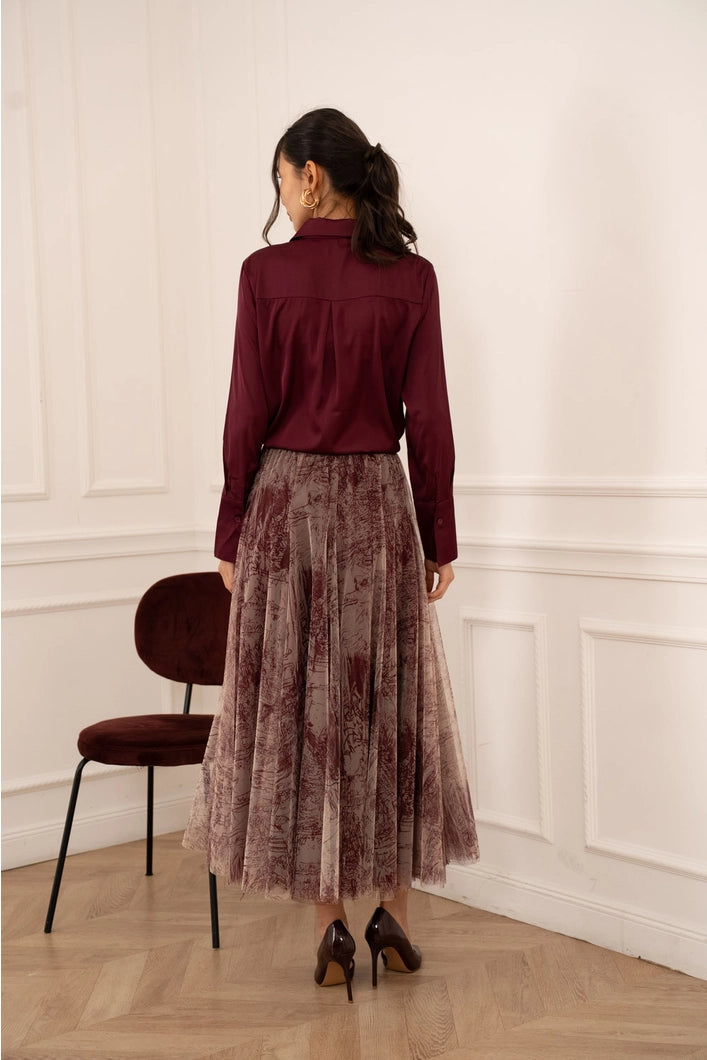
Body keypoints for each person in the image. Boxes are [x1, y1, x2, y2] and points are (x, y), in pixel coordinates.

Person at [183, 107, 479, 1001]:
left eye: (280, 178)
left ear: (310, 177)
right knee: (384, 705)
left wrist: (232, 528)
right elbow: (426, 417)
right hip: (377, 510)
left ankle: (330, 927)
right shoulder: (413, 280)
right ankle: (392, 909)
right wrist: (440, 532)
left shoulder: (263, 274)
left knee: (302, 719)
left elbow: (245, 415)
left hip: (285, 508)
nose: (279, 194)